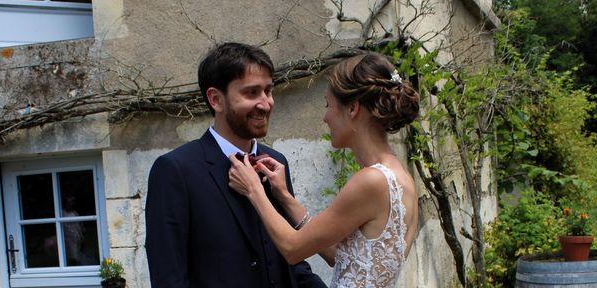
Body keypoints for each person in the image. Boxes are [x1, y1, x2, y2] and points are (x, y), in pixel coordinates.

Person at [229, 52, 421, 288]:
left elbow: (292, 249)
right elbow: (339, 257)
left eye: (328, 105)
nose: (325, 117)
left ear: (353, 109)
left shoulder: (372, 181)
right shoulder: (400, 178)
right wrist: (285, 197)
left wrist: (253, 189)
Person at [145, 42, 327, 288]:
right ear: (216, 100)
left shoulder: (276, 163)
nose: (265, 103)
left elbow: (292, 262)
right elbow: (169, 277)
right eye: (251, 93)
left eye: (268, 91)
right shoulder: (175, 170)